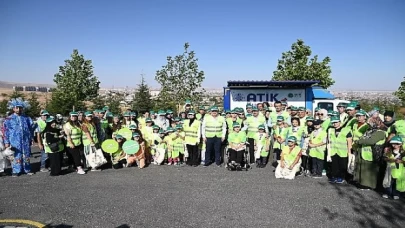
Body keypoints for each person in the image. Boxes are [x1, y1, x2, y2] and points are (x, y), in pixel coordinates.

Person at [3, 98, 36, 176]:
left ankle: (27, 169)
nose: (18, 109)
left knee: (26, 154)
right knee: (16, 154)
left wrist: (31, 138)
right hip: (14, 140)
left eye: (20, 108)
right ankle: (16, 170)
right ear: (13, 108)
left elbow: (30, 129)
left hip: (25, 140)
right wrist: (6, 142)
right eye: (17, 107)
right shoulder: (9, 119)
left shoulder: (26, 118)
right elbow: (5, 131)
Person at [327, 116, 352, 184]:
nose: (334, 124)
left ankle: (341, 177)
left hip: (343, 152)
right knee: (334, 165)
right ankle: (334, 176)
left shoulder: (346, 130)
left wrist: (349, 152)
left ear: (339, 122)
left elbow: (349, 142)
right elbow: (329, 141)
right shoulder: (330, 130)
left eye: (336, 122)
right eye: (333, 122)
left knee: (342, 165)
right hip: (334, 151)